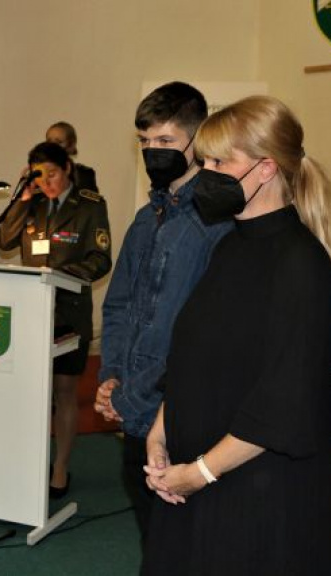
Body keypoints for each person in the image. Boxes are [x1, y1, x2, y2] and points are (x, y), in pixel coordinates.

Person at [142, 95, 331, 575]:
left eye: (219, 162)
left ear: (265, 169)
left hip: (257, 492)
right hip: (198, 474)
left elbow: (285, 399)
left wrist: (201, 472)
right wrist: (159, 433)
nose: (206, 174)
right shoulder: (229, 247)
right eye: (204, 161)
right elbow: (194, 355)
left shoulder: (301, 263)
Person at [92, 81, 232, 542]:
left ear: (197, 142)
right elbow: (118, 306)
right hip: (133, 406)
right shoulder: (144, 220)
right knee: (150, 532)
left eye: (166, 140)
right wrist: (112, 376)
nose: (153, 151)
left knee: (186, 539)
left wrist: (135, 394)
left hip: (183, 413)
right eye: (144, 141)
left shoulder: (216, 224)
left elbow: (204, 335)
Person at [0, 141, 112, 496]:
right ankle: (30, 460)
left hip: (68, 313)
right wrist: (22, 199)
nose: (46, 182)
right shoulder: (32, 203)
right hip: (32, 313)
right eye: (39, 175)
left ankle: (59, 467)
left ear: (68, 169)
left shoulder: (90, 205)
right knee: (31, 391)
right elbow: (4, 242)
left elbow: (100, 259)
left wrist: (60, 275)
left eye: (52, 174)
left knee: (63, 391)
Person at [46, 121, 98, 191]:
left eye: (59, 142)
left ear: (71, 145)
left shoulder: (83, 175)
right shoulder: (38, 174)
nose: (52, 146)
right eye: (49, 142)